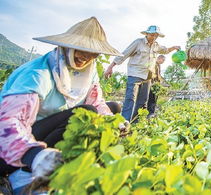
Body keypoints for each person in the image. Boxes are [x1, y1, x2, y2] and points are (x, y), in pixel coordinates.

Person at [0, 17, 122, 194]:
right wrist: (33, 155)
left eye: (93, 53)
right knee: (85, 112)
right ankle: (22, 176)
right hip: (10, 148)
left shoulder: (88, 71)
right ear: (67, 46)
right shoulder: (37, 75)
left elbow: (97, 102)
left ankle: (55, 162)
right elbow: (7, 122)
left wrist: (114, 122)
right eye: (81, 50)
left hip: (42, 132)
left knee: (112, 108)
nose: (86, 57)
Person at [104, 25, 180, 122]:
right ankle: (124, 123)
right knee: (130, 99)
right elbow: (124, 54)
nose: (154, 37)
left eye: (156, 35)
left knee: (143, 102)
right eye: (152, 35)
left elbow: (165, 50)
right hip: (135, 74)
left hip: (147, 76)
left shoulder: (156, 45)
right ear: (147, 34)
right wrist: (111, 67)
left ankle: (136, 122)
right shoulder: (138, 43)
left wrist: (173, 47)